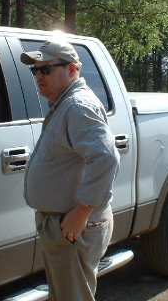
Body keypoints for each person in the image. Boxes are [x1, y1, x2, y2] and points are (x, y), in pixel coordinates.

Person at [21, 39, 120, 301]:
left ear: (72, 70)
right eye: (36, 70)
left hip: (73, 228)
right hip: (65, 227)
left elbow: (106, 158)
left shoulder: (77, 106)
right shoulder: (64, 103)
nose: (39, 76)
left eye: (46, 69)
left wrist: (82, 211)